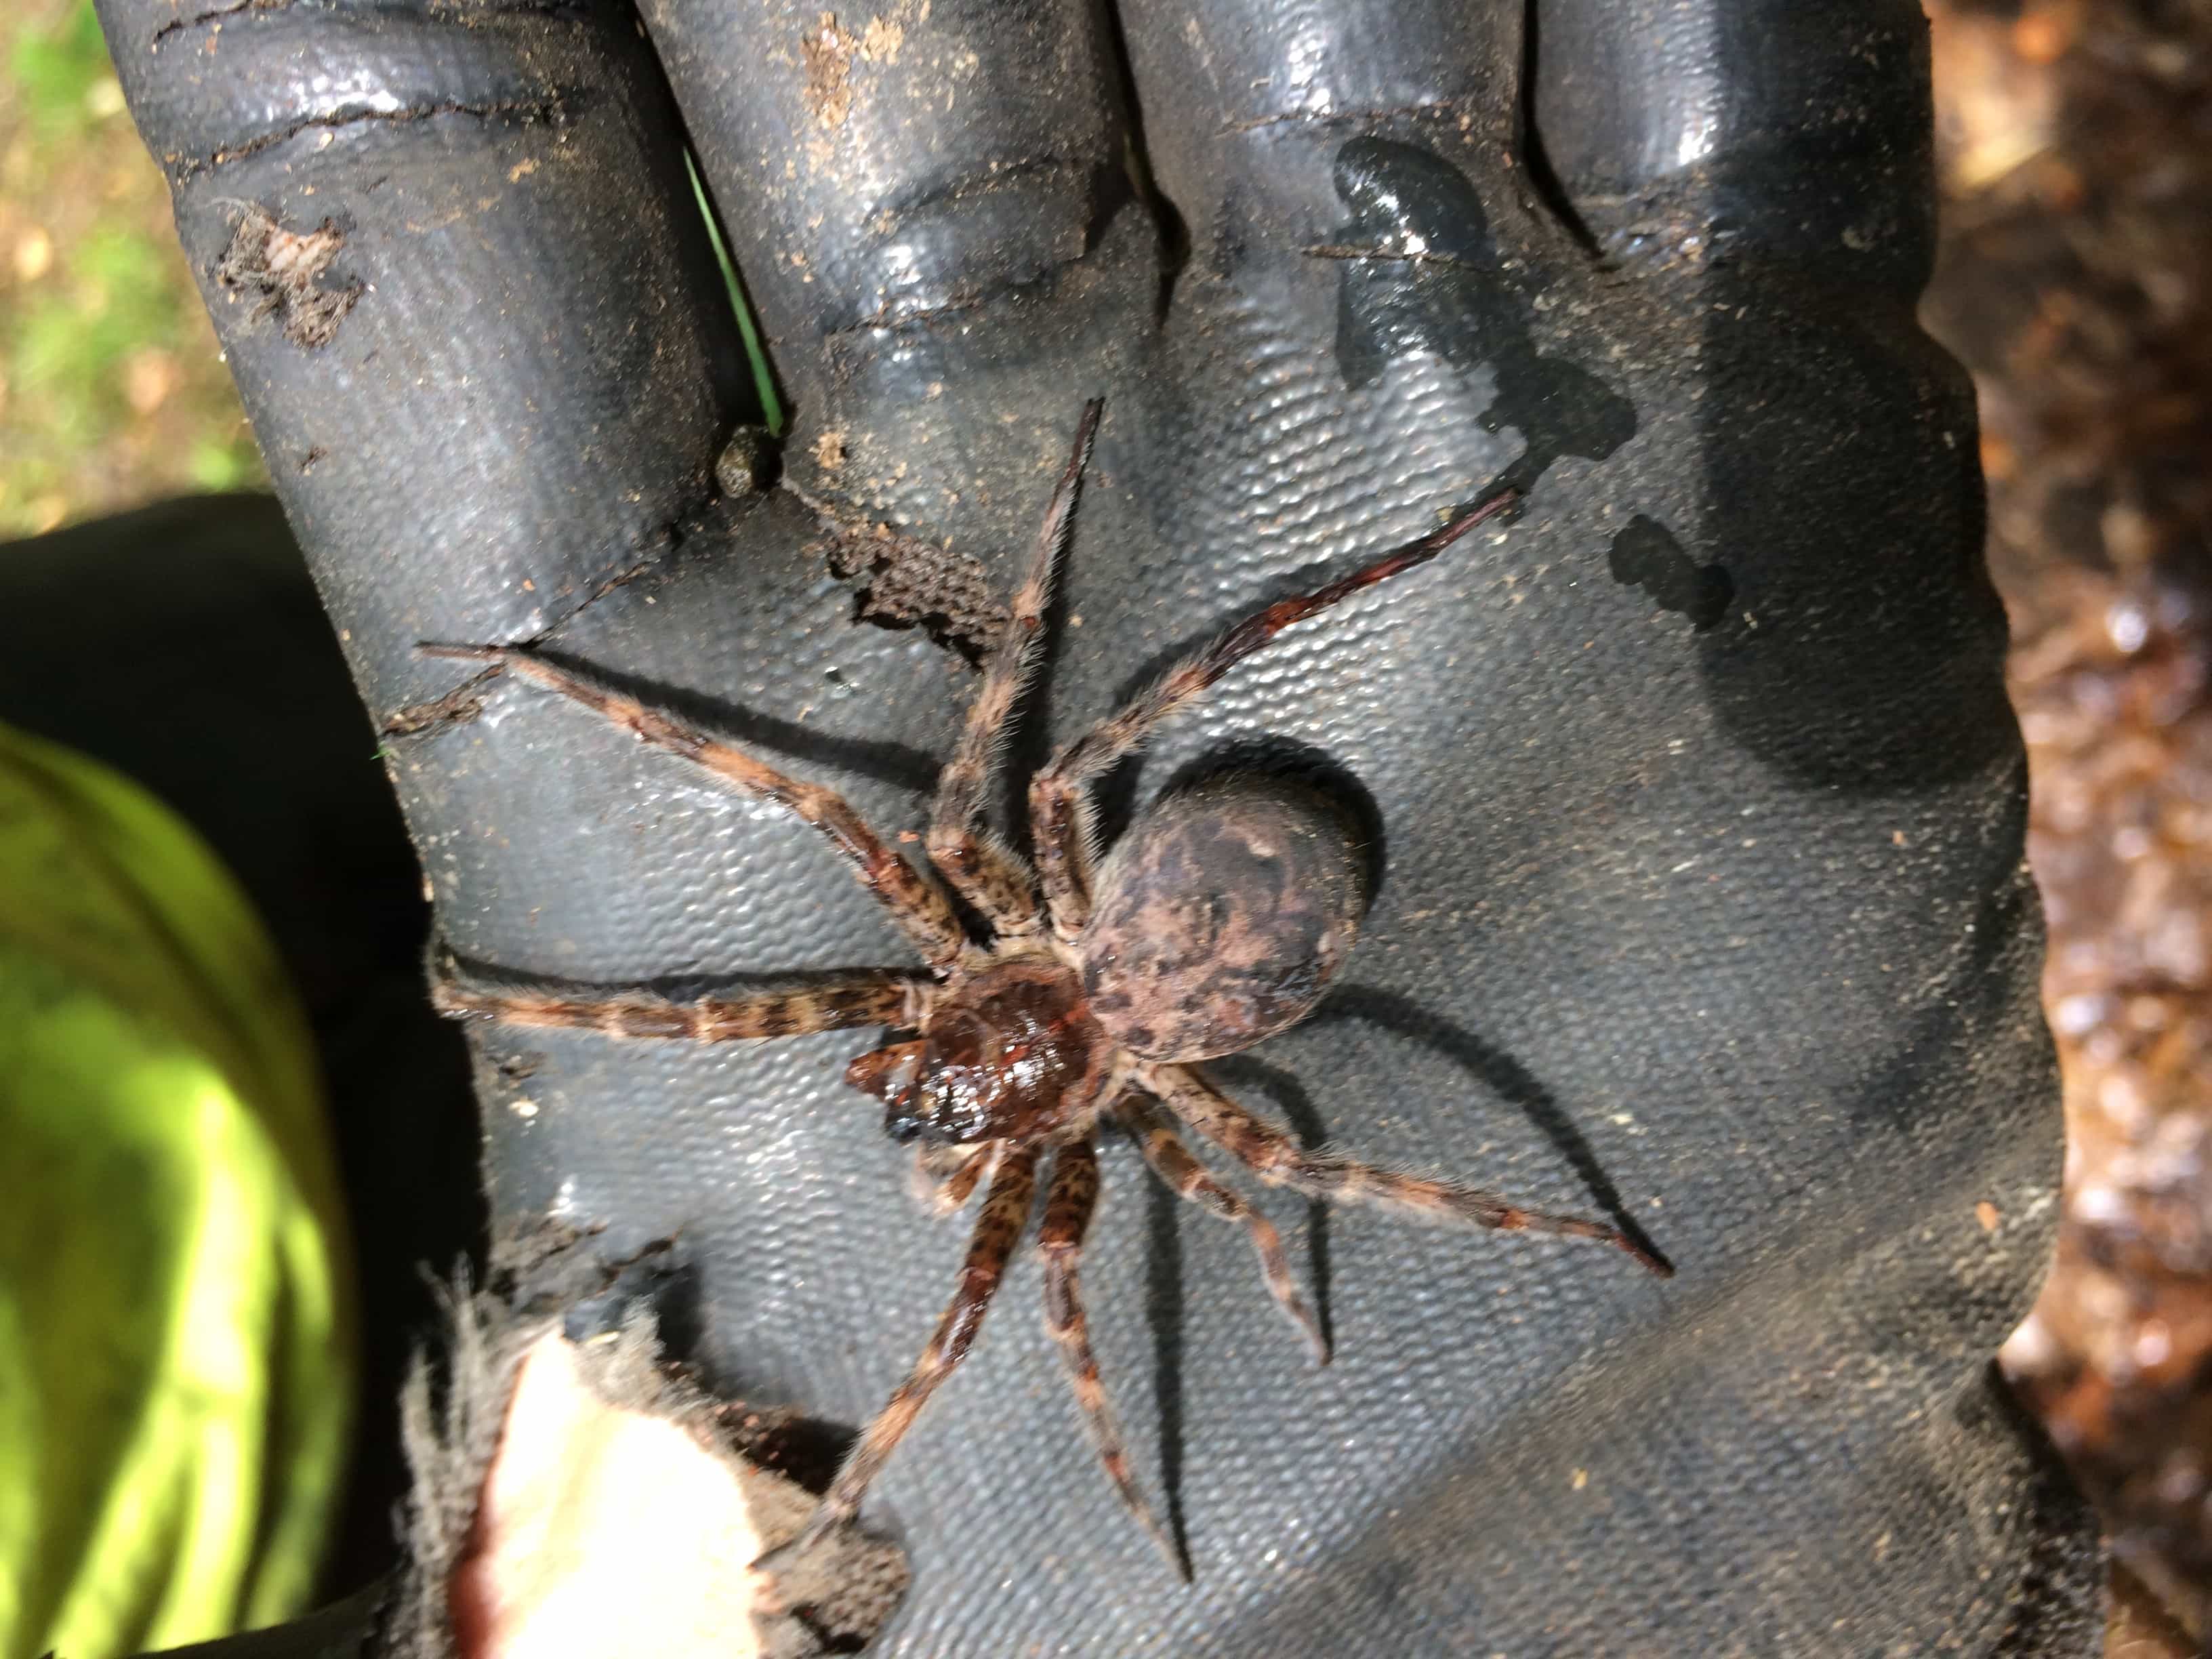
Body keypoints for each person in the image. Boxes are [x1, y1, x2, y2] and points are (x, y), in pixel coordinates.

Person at [80, 0, 2106, 1651]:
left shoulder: (1030, 963)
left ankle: (1414, 556)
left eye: (934, 1070)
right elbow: (1056, 1254)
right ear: (1008, 1083)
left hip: (1133, 933)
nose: (922, 1080)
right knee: (1018, 885)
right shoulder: (1111, 1074)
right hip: (1164, 949)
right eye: (959, 1089)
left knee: (1022, 791)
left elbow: (958, 762)